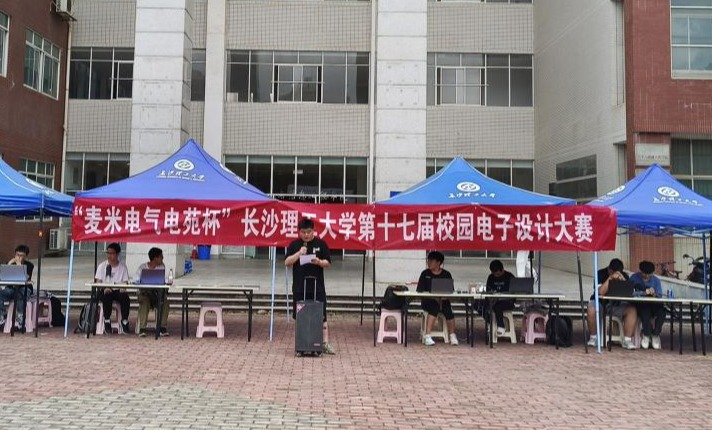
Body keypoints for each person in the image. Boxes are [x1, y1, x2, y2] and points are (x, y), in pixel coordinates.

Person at [285, 218, 335, 355]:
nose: (306, 235)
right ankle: (301, 344)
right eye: (303, 232)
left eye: (309, 232)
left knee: (322, 316)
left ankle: (324, 343)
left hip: (317, 286)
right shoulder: (295, 244)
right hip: (300, 287)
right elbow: (287, 262)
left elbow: (328, 263)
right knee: (300, 316)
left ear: (313, 231)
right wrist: (299, 253)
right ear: (299, 232)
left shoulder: (321, 244)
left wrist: (319, 262)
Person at [586, 258, 638, 349]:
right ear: (609, 269)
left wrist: (623, 281)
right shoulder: (600, 274)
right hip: (600, 304)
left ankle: (627, 340)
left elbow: (630, 293)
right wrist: (610, 278)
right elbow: (600, 292)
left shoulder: (624, 275)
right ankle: (593, 338)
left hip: (615, 305)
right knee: (591, 308)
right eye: (614, 272)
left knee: (632, 310)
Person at [416, 251, 458, 346]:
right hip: (428, 301)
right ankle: (427, 336)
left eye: (431, 261)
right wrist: (432, 296)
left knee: (448, 310)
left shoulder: (446, 274)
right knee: (434, 307)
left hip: (443, 300)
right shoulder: (425, 273)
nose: (429, 262)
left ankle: (452, 335)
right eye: (428, 260)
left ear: (438, 262)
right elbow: (419, 290)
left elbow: (451, 290)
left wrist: (443, 297)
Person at [94, 242, 131, 334]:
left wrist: (123, 288)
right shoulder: (102, 266)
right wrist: (104, 287)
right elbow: (98, 281)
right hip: (105, 290)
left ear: (117, 254)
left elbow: (125, 282)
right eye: (108, 253)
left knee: (125, 298)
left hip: (118, 290)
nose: (109, 255)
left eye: (112, 253)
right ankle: (107, 320)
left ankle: (124, 321)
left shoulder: (122, 267)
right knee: (106, 296)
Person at [135, 247, 170, 337]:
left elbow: (165, 280)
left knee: (165, 302)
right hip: (144, 294)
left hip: (157, 294)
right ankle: (142, 328)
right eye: (161, 256)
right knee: (144, 302)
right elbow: (136, 281)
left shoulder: (162, 267)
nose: (163, 258)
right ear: (155, 258)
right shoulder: (142, 267)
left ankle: (162, 327)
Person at [630, 260, 665, 350]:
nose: (646, 276)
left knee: (662, 312)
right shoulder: (634, 278)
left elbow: (659, 295)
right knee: (645, 311)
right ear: (640, 271)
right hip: (640, 305)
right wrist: (643, 293)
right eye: (644, 274)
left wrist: (654, 294)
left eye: (649, 274)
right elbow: (629, 293)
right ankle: (646, 334)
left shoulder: (656, 281)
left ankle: (655, 334)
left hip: (654, 304)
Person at [0, 245, 35, 329]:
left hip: (24, 288)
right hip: (11, 288)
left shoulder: (29, 265)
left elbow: (26, 278)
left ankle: (20, 317)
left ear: (26, 256)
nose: (19, 257)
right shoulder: (10, 263)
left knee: (20, 293)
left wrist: (19, 265)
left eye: (21, 255)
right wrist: (9, 264)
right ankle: (2, 315)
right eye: (17, 255)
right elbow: (3, 276)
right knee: (1, 293)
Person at [484, 259, 516, 336]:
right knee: (478, 305)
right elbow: (488, 290)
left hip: (507, 301)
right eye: (494, 274)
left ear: (502, 270)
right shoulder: (491, 277)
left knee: (497, 306)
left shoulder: (509, 276)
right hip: (494, 300)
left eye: (498, 274)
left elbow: (514, 292)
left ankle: (501, 326)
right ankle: (489, 321)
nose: (496, 276)